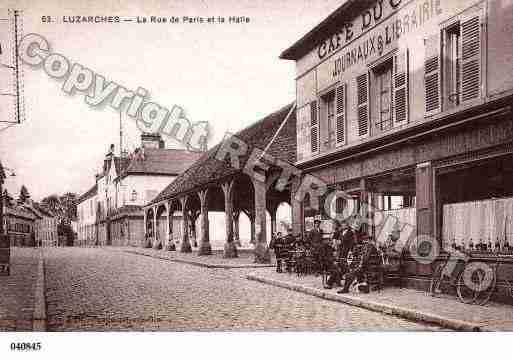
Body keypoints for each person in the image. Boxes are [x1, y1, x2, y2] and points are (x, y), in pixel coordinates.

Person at [325, 220, 356, 288]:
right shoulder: (341, 232)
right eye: (342, 224)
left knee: (341, 267)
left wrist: (350, 250)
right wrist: (337, 243)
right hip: (341, 252)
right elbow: (338, 240)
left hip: (347, 252)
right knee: (339, 267)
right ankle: (333, 282)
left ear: (347, 225)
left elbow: (352, 243)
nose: (342, 226)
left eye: (343, 224)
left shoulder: (350, 232)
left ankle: (330, 282)